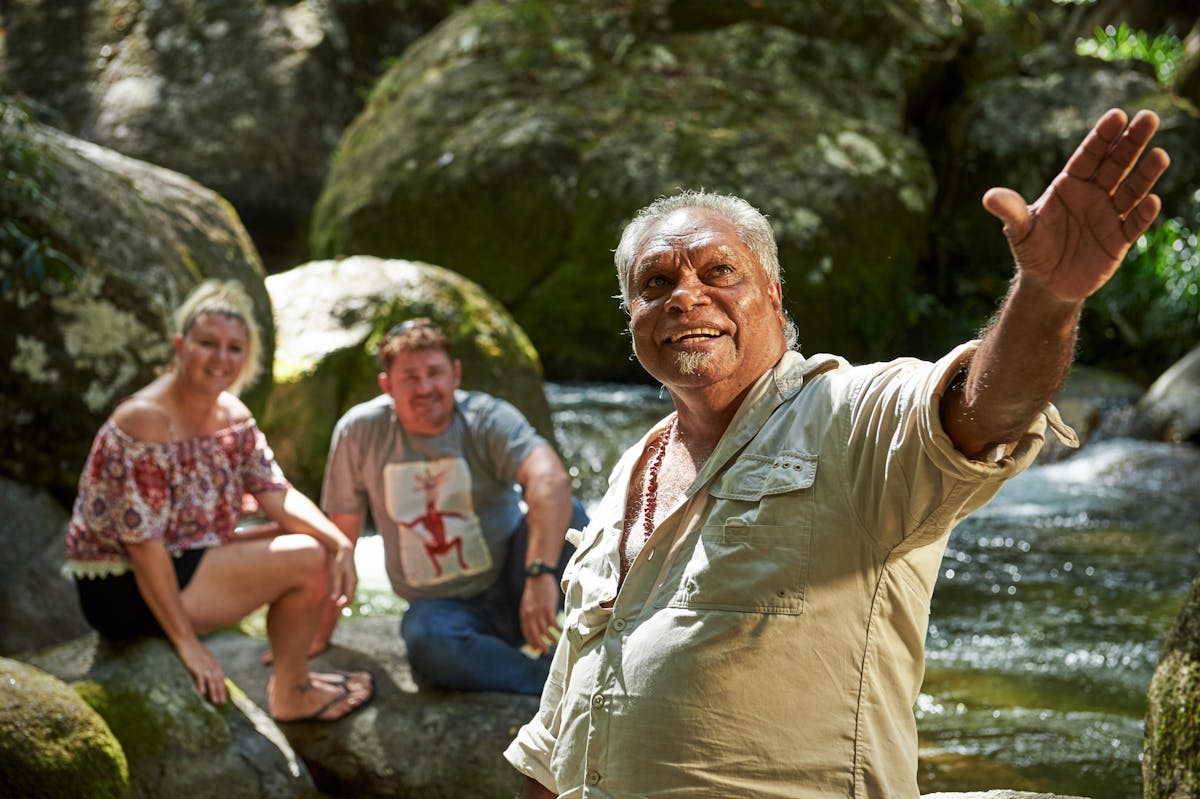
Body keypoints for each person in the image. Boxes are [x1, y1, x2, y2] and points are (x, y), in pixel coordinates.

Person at [505, 107, 1170, 797]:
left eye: (718, 271)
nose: (686, 297)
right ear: (631, 316)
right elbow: (557, 731)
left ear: (772, 293)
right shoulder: (632, 471)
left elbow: (982, 411)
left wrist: (1047, 297)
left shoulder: (847, 415)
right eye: (656, 284)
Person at [65, 280, 374, 723]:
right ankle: (292, 692)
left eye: (233, 348)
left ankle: (293, 682)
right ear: (180, 345)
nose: (221, 358)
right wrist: (186, 642)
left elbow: (274, 490)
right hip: (123, 586)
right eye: (207, 343)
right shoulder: (144, 420)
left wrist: (340, 541)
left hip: (186, 557)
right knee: (307, 557)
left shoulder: (233, 416)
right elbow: (142, 543)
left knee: (317, 543)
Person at [320, 318, 588, 695]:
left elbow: (551, 481)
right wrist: (314, 638)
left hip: (516, 580)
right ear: (387, 385)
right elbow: (341, 542)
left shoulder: (487, 417)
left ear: (456, 374)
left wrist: (539, 573)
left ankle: (606, 651)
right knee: (428, 639)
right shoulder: (360, 432)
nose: (425, 387)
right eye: (410, 376)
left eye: (435, 373)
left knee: (572, 518)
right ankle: (554, 686)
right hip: (442, 610)